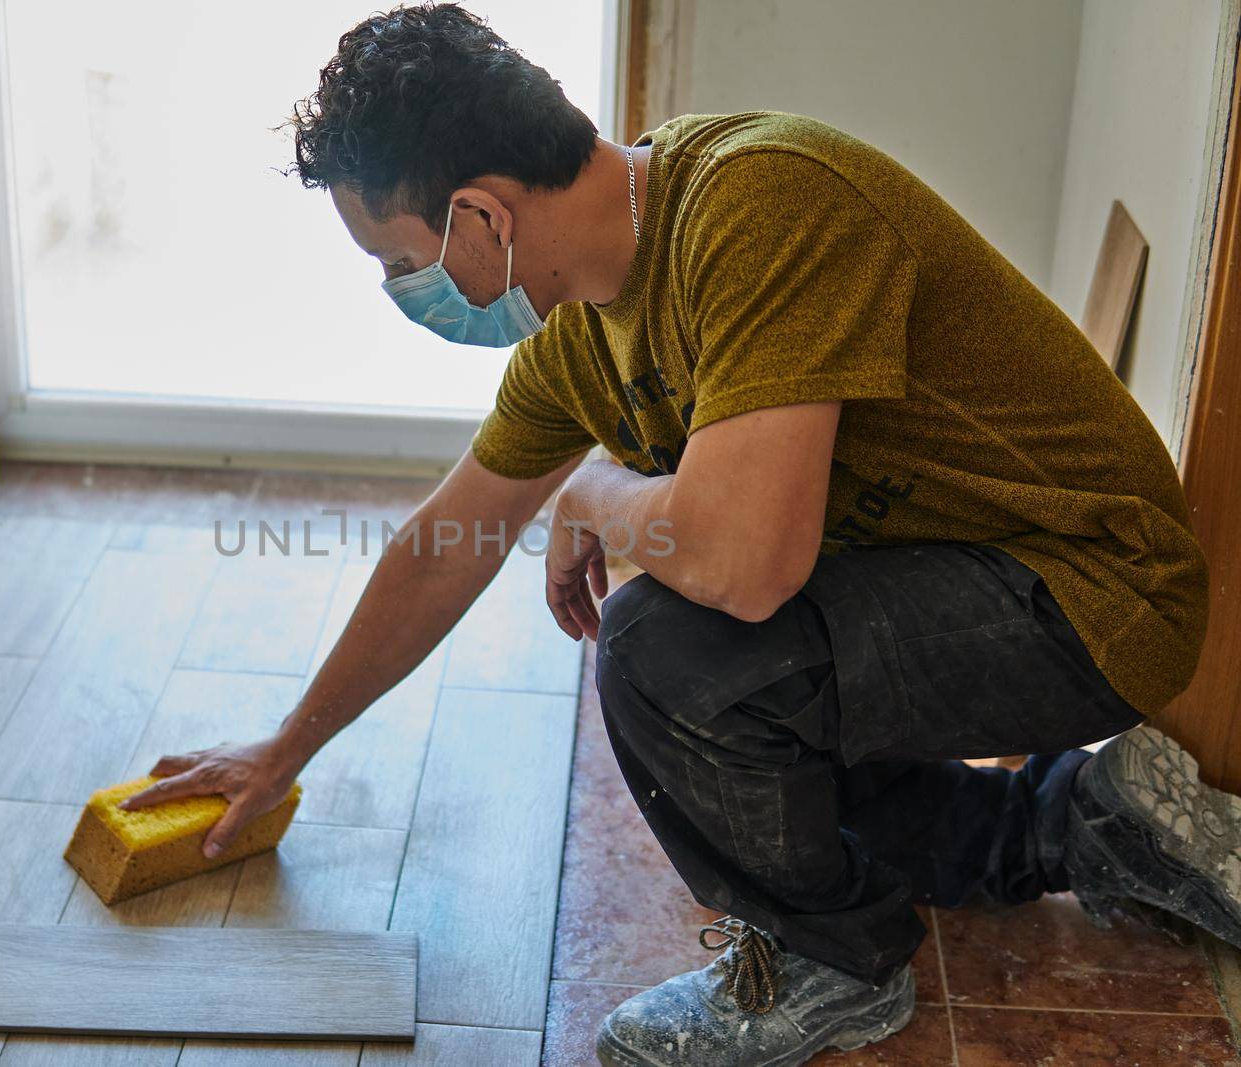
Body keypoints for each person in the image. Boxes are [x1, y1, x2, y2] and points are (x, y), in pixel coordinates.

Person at [121, 4, 1236, 1064]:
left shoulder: (763, 204)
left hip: (1094, 594)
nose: (402, 291)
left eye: (397, 262)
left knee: (674, 646)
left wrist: (596, 495)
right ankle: (1089, 821)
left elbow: (746, 566)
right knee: (765, 770)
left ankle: (833, 962)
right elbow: (443, 543)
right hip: (955, 584)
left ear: (481, 217)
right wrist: (287, 744)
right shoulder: (578, 336)